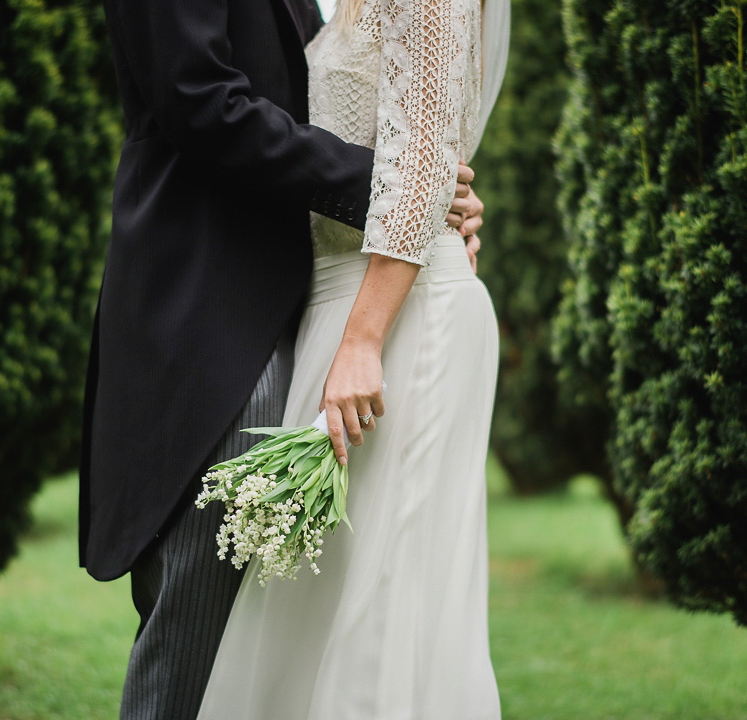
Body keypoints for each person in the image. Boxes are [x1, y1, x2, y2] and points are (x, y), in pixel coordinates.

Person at [78, 0, 485, 718]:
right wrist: (393, 190)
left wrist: (423, 200)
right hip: (208, 322)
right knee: (198, 656)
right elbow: (200, 101)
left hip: (304, 318)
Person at [194, 0, 511, 717]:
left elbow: (426, 154)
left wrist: (364, 342)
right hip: (336, 304)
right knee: (317, 611)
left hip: (398, 320)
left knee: (385, 617)